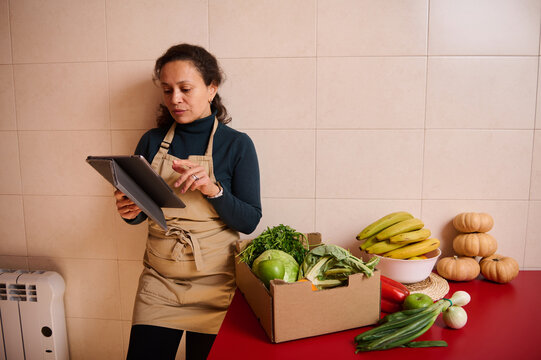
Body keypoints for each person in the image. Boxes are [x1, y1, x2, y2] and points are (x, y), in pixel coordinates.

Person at [114, 43, 262, 359]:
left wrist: (213, 189)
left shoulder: (236, 145)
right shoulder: (151, 141)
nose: (175, 99)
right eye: (167, 90)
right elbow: (142, 213)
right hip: (159, 285)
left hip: (217, 287)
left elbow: (249, 220)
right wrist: (130, 211)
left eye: (185, 88)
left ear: (212, 89)